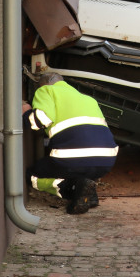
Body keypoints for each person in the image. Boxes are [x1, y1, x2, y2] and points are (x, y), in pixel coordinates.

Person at [23, 72, 119, 214]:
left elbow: (40, 121)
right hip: (106, 161)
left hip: (70, 159)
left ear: (44, 84)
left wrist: (26, 112)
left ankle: (71, 188)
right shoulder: (89, 99)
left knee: (33, 175)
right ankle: (89, 194)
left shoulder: (46, 90)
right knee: (81, 169)